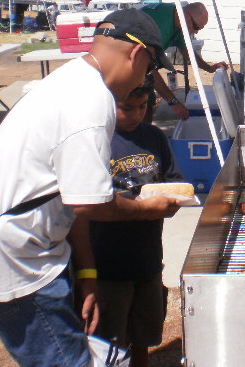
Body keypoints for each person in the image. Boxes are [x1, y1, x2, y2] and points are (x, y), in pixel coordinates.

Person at [0, 9, 182, 367]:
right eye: (150, 67)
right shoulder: (92, 102)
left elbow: (70, 196)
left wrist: (86, 276)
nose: (146, 77)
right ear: (138, 54)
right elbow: (92, 204)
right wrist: (148, 208)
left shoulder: (70, 80)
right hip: (17, 258)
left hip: (25, 247)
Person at [79, 85, 182, 367]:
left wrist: (173, 201)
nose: (136, 115)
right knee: (112, 339)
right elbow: (89, 202)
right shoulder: (96, 141)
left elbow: (173, 180)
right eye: (127, 108)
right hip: (108, 263)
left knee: (143, 334)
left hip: (148, 257)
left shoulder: (154, 137)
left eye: (143, 107)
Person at [140, 2, 227, 120]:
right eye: (196, 27)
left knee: (147, 104)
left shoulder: (179, 21)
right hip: (124, 59)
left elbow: (188, 53)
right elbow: (148, 69)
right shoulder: (161, 26)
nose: (196, 32)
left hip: (140, 63)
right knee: (138, 105)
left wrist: (209, 68)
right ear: (187, 16)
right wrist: (173, 102)